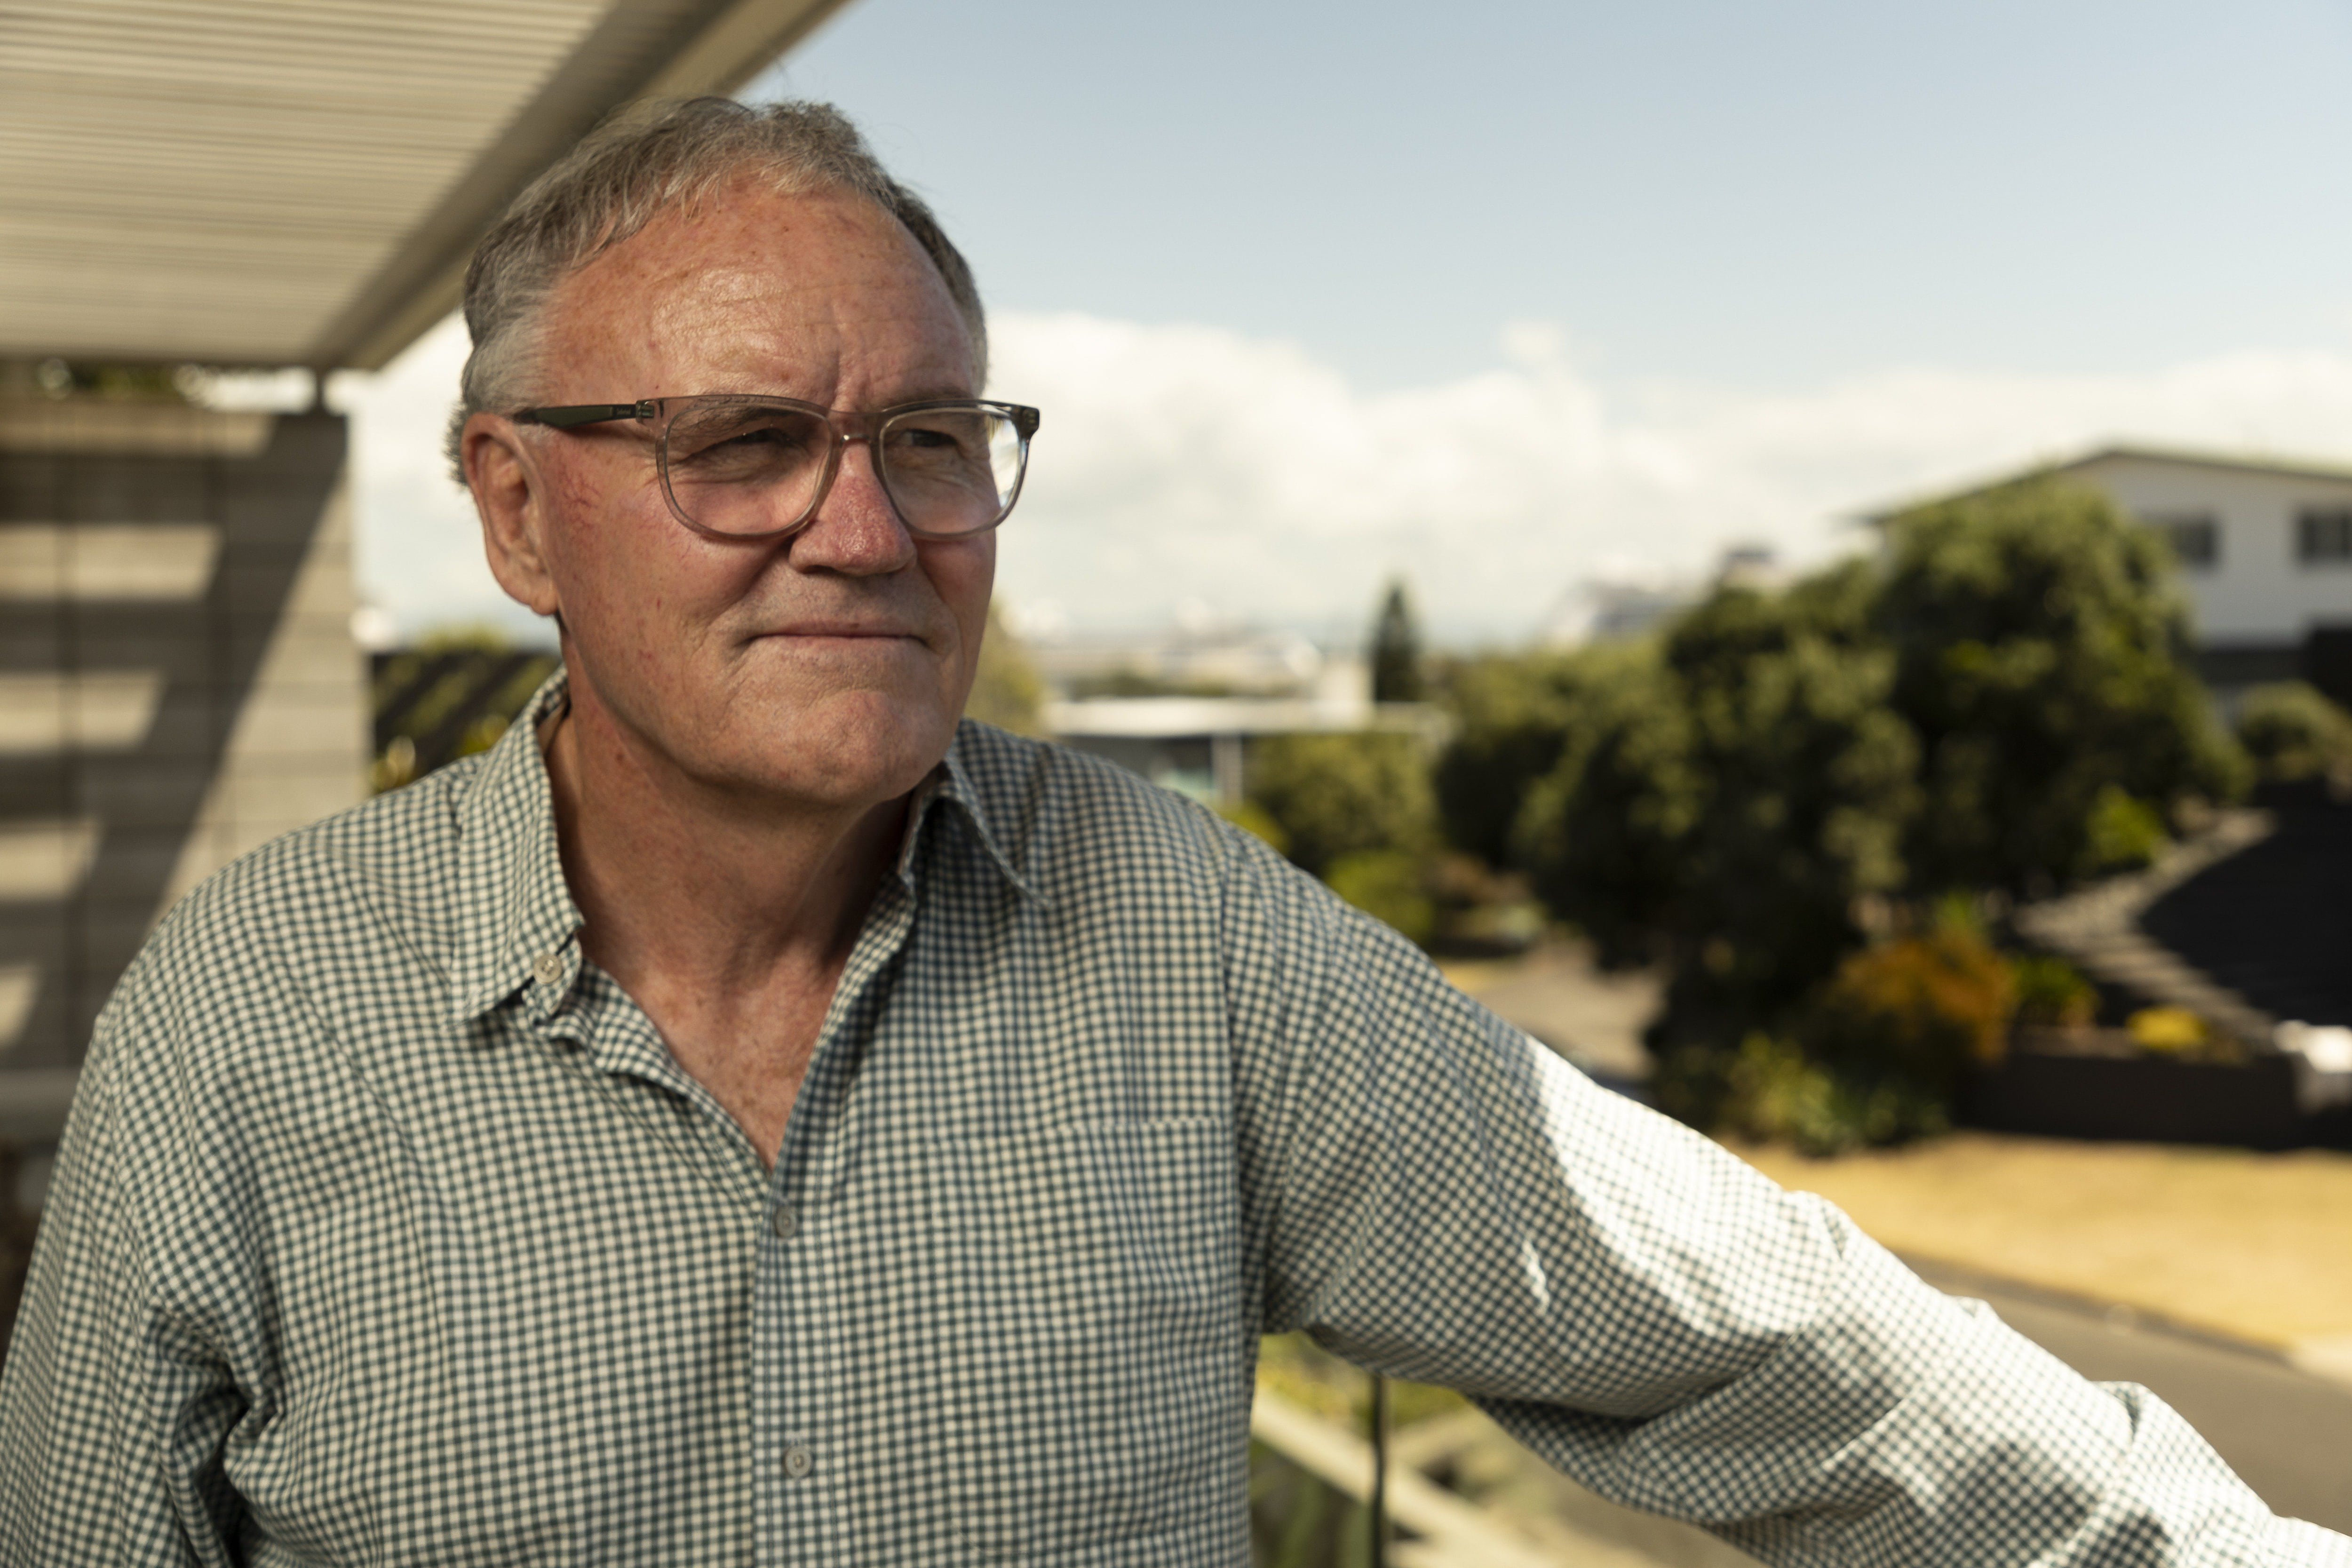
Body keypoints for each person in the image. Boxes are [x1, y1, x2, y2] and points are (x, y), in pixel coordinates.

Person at [0, 97, 2343, 1568]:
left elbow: (1755, 1342)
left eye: (929, 439)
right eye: (742, 443)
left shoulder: (1178, 929)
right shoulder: (250, 1010)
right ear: (516, 511)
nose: (865, 526)